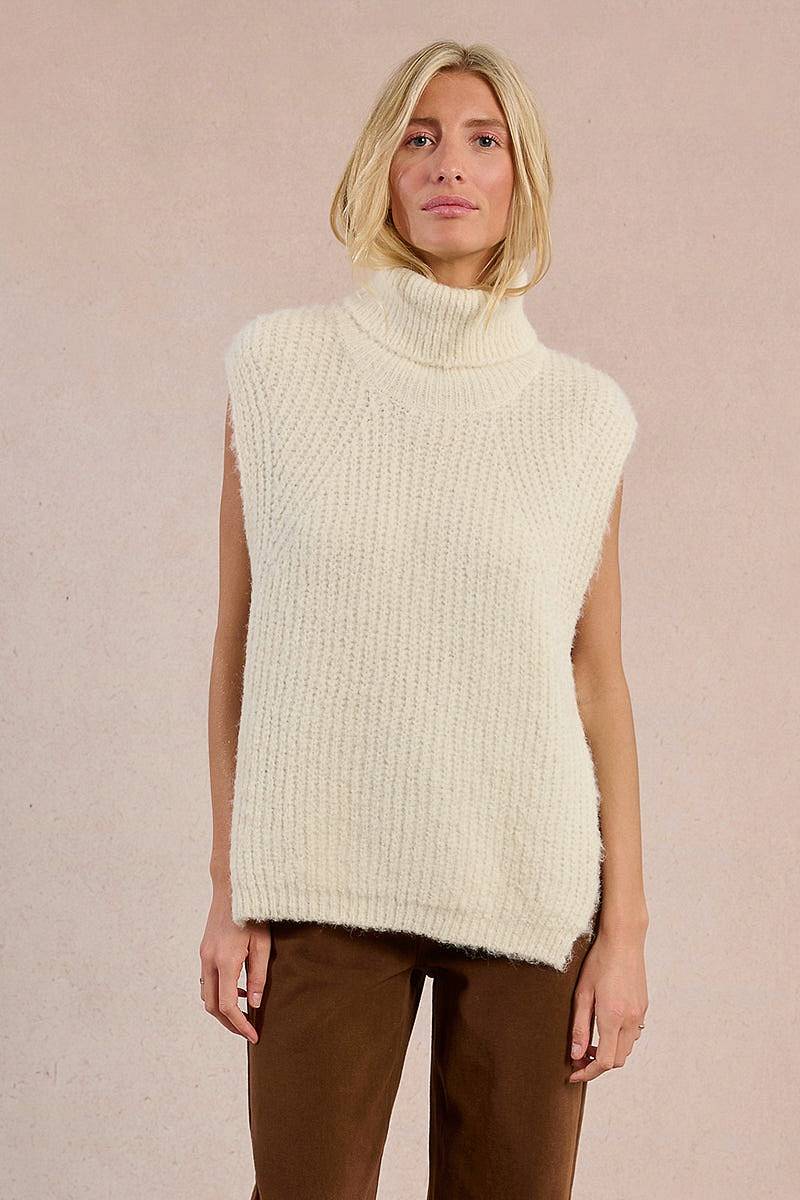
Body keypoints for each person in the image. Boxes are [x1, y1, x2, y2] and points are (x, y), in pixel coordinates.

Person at [201, 39, 649, 1200]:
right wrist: (229, 886)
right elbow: (239, 642)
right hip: (318, 876)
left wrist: (625, 934)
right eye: (419, 136)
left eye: (481, 139)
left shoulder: (582, 415)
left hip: (527, 883)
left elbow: (595, 679)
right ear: (381, 169)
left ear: (518, 176)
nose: (449, 163)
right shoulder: (277, 371)